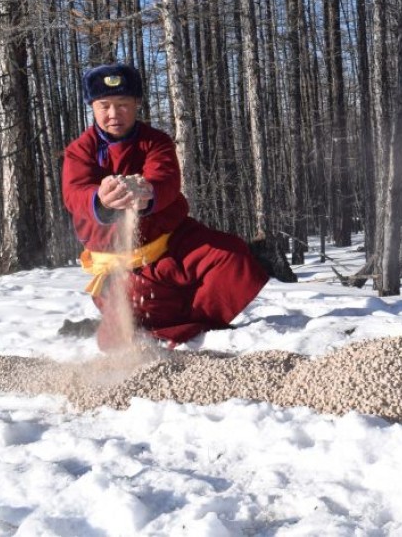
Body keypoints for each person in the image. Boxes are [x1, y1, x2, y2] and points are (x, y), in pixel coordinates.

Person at [62, 62, 269, 350]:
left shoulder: (155, 141)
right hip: (123, 264)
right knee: (136, 311)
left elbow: (166, 179)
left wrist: (148, 194)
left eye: (123, 104)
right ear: (92, 107)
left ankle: (196, 324)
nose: (113, 114)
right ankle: (169, 322)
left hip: (172, 241)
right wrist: (101, 199)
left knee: (234, 258)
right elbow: (75, 192)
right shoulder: (80, 150)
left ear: (136, 103)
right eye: (104, 106)